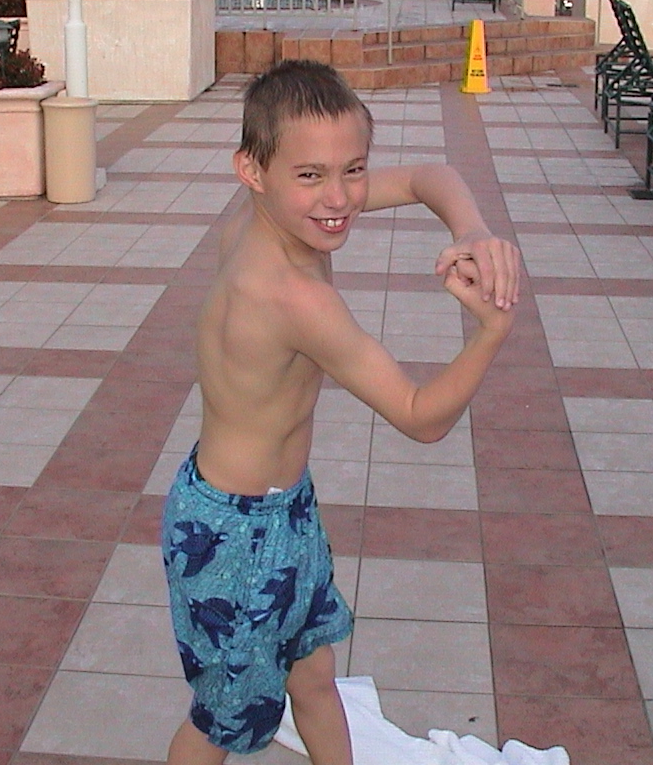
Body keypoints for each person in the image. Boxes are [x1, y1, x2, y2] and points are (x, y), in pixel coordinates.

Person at [162, 59, 520, 765]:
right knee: (220, 722)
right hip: (232, 537)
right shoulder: (293, 296)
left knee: (314, 678)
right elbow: (419, 415)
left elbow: (428, 176)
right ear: (252, 170)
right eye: (312, 175)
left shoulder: (271, 207)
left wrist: (474, 229)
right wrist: (491, 333)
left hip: (280, 507)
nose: (339, 198)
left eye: (354, 170)